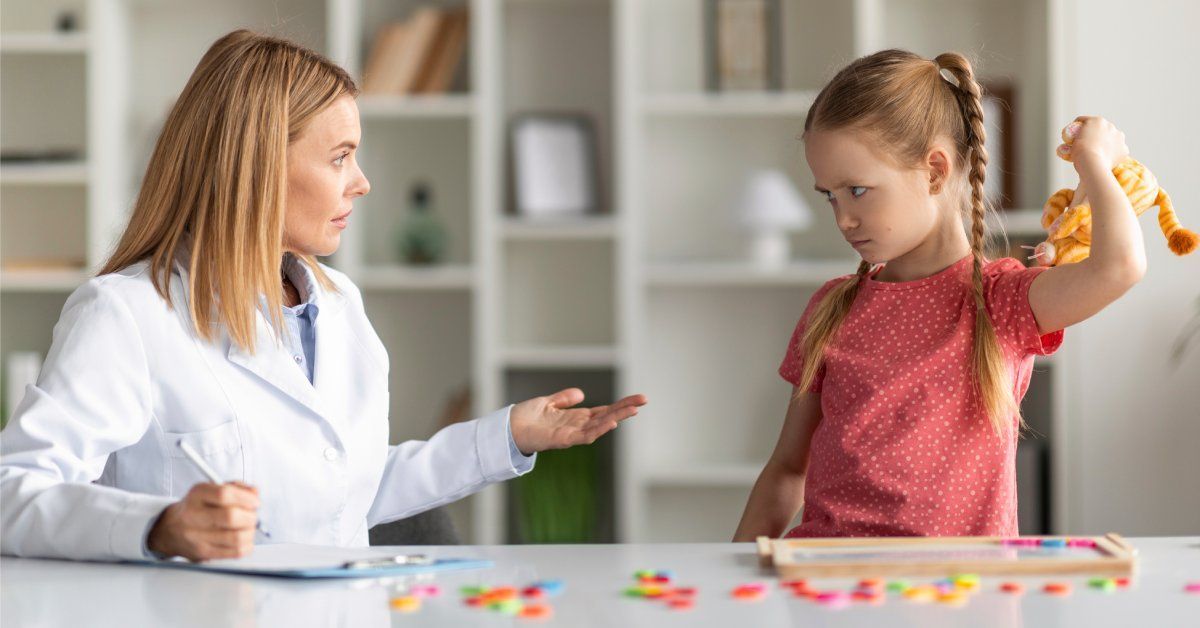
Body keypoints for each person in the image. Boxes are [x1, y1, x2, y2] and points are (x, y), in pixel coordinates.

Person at [0, 30, 646, 562]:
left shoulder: (339, 306)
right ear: (256, 165)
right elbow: (14, 493)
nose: (361, 184)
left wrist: (507, 436)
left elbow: (344, 491)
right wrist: (156, 526)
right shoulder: (128, 315)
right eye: (340, 157)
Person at [733, 49, 1145, 539]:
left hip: (960, 598)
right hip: (829, 591)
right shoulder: (831, 307)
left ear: (933, 170)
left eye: (857, 190)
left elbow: (1119, 267)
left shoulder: (1001, 302)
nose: (842, 217)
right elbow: (786, 470)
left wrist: (1094, 160)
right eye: (829, 196)